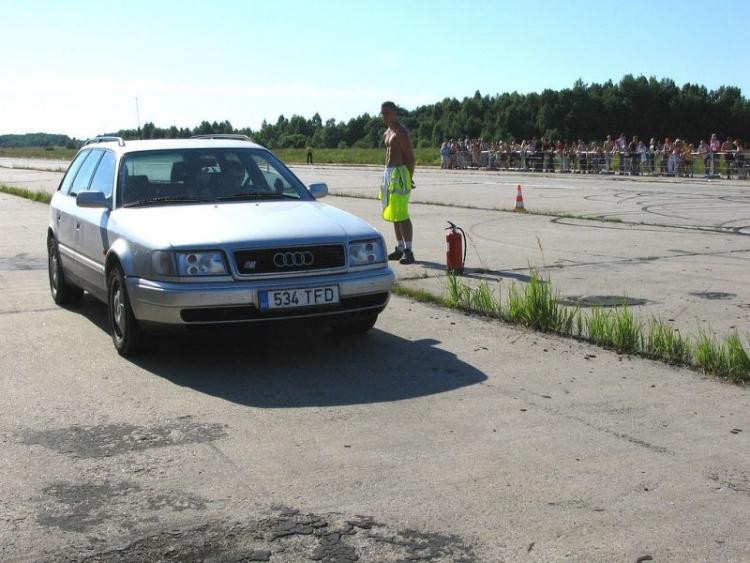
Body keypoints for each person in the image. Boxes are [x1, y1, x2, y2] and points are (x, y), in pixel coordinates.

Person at [379, 101, 416, 265]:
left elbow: (410, 158)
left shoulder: (401, 132)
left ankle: (409, 250)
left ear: (395, 113)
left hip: (400, 174)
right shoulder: (386, 133)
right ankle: (400, 247)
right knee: (393, 212)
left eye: (387, 112)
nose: (384, 116)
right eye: (382, 113)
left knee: (402, 213)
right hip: (389, 174)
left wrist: (408, 178)